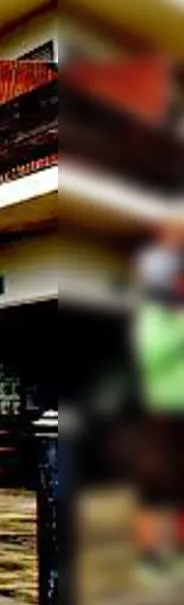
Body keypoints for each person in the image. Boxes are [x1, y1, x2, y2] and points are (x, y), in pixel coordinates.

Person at [133, 220, 184, 585]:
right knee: (155, 488)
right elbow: (153, 356)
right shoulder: (155, 316)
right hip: (163, 409)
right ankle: (149, 556)